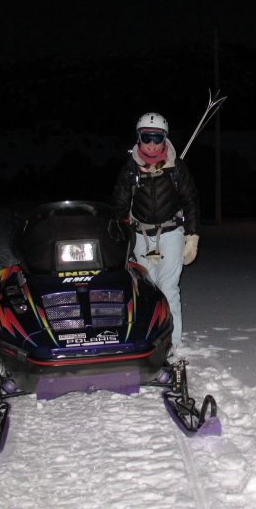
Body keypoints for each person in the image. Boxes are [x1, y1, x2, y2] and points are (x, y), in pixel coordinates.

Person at [111, 112, 200, 348]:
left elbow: (190, 202)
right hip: (140, 236)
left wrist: (192, 238)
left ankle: (173, 344)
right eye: (146, 137)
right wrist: (124, 242)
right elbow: (119, 208)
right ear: (139, 138)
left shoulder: (176, 167)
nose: (151, 143)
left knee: (168, 288)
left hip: (171, 235)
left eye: (157, 138)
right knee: (144, 290)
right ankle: (146, 342)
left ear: (165, 139)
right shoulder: (130, 169)